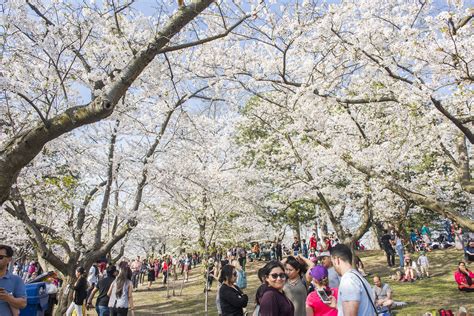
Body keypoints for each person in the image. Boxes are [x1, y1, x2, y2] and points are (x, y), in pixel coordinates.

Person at [324, 243, 376, 316]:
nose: (334, 267)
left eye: (332, 263)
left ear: (337, 260)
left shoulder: (348, 281)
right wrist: (337, 305)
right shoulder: (358, 276)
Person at [0, 245, 27, 316]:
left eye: (0, 257)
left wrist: (8, 298)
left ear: (9, 259)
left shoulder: (16, 280)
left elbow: (23, 304)